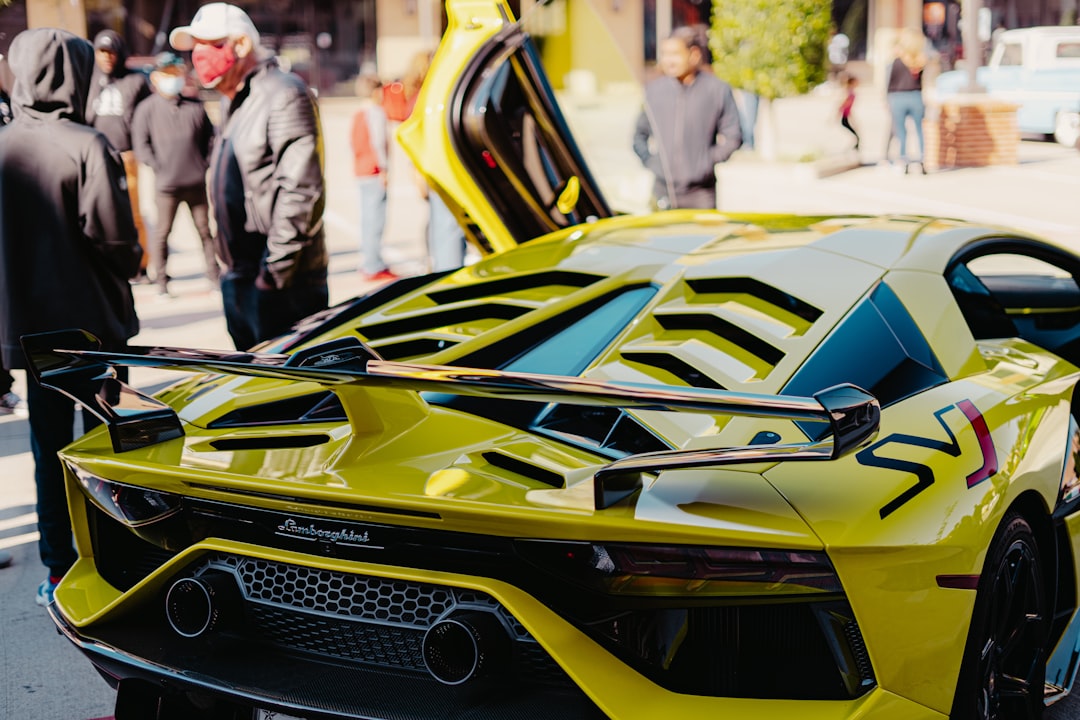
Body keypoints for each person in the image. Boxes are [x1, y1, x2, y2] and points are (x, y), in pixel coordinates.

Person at [0, 28, 142, 603]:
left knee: (47, 450)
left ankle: (59, 572)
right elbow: (117, 242)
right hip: (94, 330)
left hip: (29, 334)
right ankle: (114, 565)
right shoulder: (87, 144)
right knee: (111, 451)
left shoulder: (4, 144)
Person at [170, 3, 329, 350]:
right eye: (194, 45)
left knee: (286, 397)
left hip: (281, 283)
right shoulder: (234, 99)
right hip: (242, 276)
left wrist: (272, 277)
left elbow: (302, 192)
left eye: (210, 44)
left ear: (241, 45)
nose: (198, 55)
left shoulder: (284, 93)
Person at [131, 52, 218, 297]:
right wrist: (160, 166)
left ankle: (214, 276)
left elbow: (211, 139)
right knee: (162, 233)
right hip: (166, 185)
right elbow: (141, 145)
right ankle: (161, 282)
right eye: (166, 74)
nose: (172, 79)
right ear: (156, 78)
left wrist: (204, 164)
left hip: (195, 181)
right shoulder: (146, 110)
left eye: (175, 74)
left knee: (204, 231)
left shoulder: (195, 106)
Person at [632, 26, 742, 210]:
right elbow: (638, 136)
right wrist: (653, 164)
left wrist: (706, 163)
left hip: (701, 195)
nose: (668, 61)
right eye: (664, 54)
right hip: (661, 191)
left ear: (694, 54)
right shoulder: (653, 91)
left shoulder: (717, 90)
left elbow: (734, 136)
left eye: (674, 54)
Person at [86, 29, 152, 280]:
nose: (107, 57)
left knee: (133, 212)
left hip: (126, 156)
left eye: (111, 52)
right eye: (102, 52)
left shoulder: (134, 81)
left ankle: (141, 265)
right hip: (95, 156)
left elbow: (146, 117)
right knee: (98, 211)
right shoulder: (89, 80)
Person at [350, 73, 394, 282]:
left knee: (367, 218)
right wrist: (384, 169)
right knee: (376, 219)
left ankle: (369, 260)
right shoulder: (376, 113)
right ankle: (373, 263)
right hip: (374, 171)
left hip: (361, 170)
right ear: (377, 91)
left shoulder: (358, 113)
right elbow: (378, 143)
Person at [886, 29, 928, 175]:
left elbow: (889, 81)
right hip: (916, 96)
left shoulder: (897, 61)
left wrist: (886, 99)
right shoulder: (920, 61)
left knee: (901, 131)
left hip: (897, 97)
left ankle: (903, 160)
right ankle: (922, 159)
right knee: (919, 130)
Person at [839, 73, 860, 152]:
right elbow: (843, 105)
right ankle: (849, 151)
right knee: (855, 137)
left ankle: (853, 150)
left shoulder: (849, 92)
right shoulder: (849, 93)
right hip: (844, 118)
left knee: (856, 137)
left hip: (846, 117)